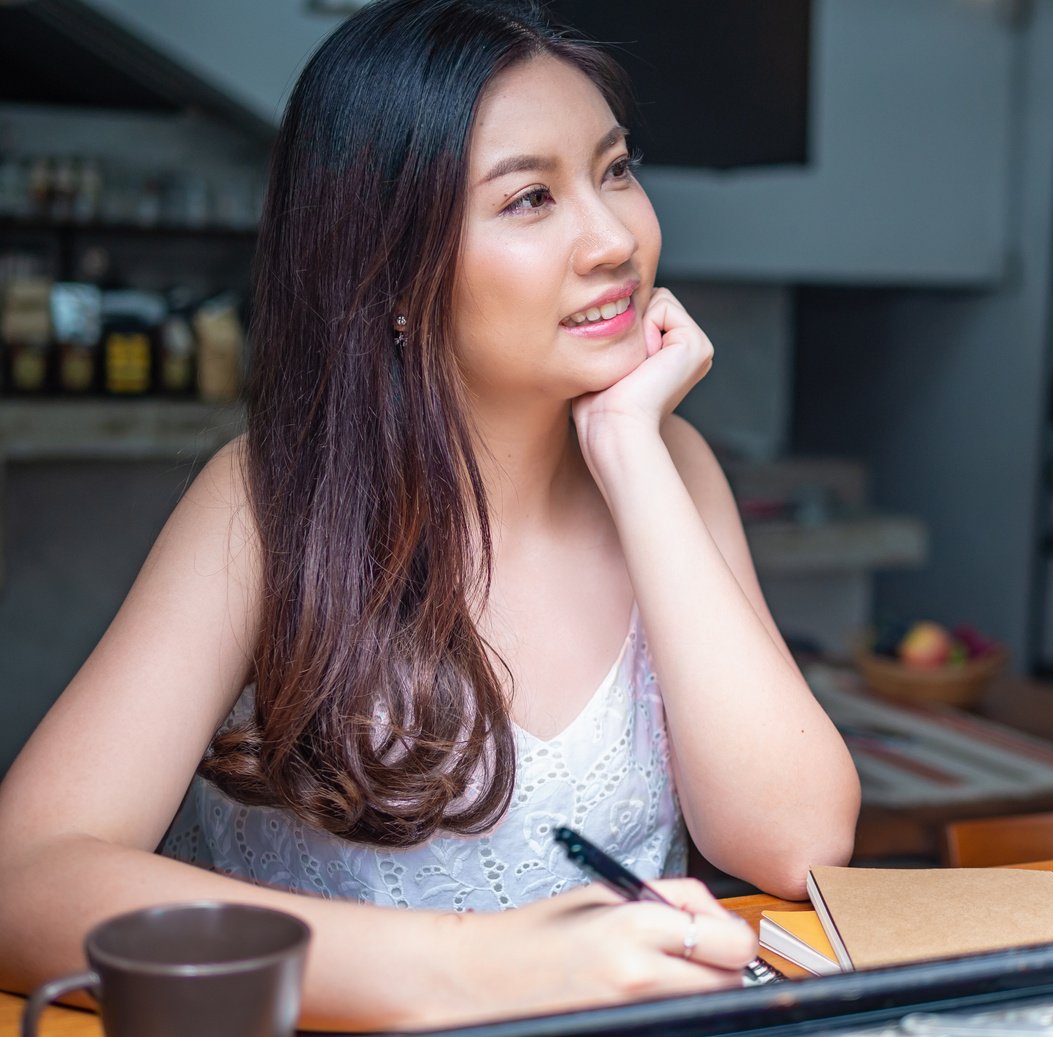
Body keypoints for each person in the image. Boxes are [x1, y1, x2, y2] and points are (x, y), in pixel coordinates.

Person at [0, 0, 860, 1029]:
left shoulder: (671, 464)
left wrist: (633, 448)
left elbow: (797, 842)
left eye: (616, 169)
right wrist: (475, 968)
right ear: (395, 270)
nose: (613, 237)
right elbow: (25, 876)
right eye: (532, 197)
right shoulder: (269, 501)